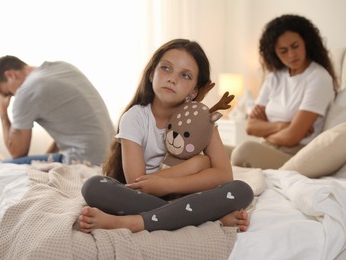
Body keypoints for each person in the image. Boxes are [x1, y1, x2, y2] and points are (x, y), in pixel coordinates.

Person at [78, 39, 254, 233]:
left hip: (188, 194)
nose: (172, 78)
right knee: (93, 187)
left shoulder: (203, 121)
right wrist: (195, 165)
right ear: (152, 73)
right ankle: (208, 216)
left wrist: (167, 184)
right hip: (142, 198)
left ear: (194, 90)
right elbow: (138, 182)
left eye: (185, 75)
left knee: (242, 190)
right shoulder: (135, 118)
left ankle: (133, 222)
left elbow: (224, 174)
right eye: (166, 68)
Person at [231, 14, 337, 169]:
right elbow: (251, 127)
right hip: (268, 147)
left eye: (295, 46)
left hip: (297, 155)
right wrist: (282, 126)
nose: (291, 55)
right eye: (283, 50)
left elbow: (292, 137)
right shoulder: (274, 77)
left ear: (306, 42)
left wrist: (266, 131)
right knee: (209, 154)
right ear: (274, 53)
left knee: (243, 151)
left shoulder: (318, 78)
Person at [0, 56, 115, 166]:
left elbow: (17, 152)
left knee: (2, 166)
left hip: (86, 160)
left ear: (10, 75)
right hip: (112, 155)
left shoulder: (26, 91)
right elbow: (72, 127)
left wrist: (2, 112)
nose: (13, 97)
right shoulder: (63, 67)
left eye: (8, 93)